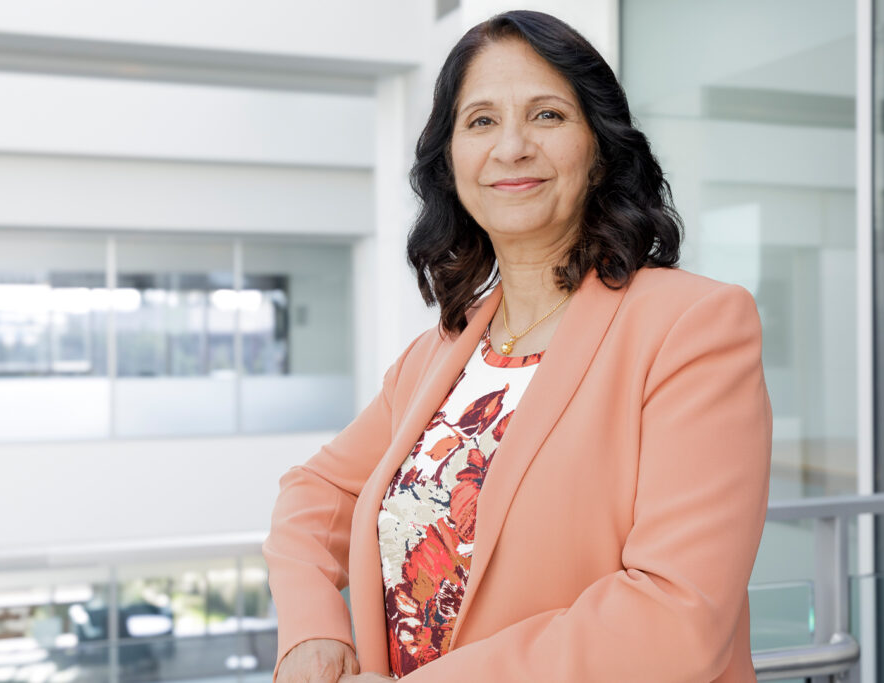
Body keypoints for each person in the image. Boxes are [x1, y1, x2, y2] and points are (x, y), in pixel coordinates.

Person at [263, 9, 772, 683]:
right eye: (480, 121)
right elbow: (311, 494)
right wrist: (309, 632)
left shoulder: (694, 326)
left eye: (547, 116)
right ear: (452, 161)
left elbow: (676, 618)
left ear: (601, 148)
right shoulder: (438, 355)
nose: (511, 147)